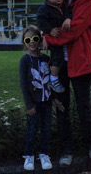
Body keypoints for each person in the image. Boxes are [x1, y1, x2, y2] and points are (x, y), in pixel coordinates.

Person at [43, 0, 91, 166]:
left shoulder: (87, 0)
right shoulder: (62, 0)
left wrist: (48, 39)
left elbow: (73, 31)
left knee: (83, 105)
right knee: (62, 107)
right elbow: (47, 20)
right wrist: (44, 31)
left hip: (80, 60)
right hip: (60, 63)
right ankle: (66, 150)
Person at [19, 25, 54, 171]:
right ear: (24, 43)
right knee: (32, 130)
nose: (31, 42)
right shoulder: (25, 61)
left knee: (46, 129)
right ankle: (29, 156)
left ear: (39, 39)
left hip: (47, 102)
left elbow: (52, 80)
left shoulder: (46, 58)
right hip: (34, 103)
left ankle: (44, 154)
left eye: (34, 38)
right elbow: (23, 85)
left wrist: (55, 98)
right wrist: (28, 105)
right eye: (28, 40)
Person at [36, 0, 71, 93]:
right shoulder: (44, 9)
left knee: (62, 57)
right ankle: (53, 78)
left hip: (61, 37)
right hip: (54, 38)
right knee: (57, 58)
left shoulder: (62, 6)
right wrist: (49, 31)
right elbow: (41, 21)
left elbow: (69, 13)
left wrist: (68, 19)